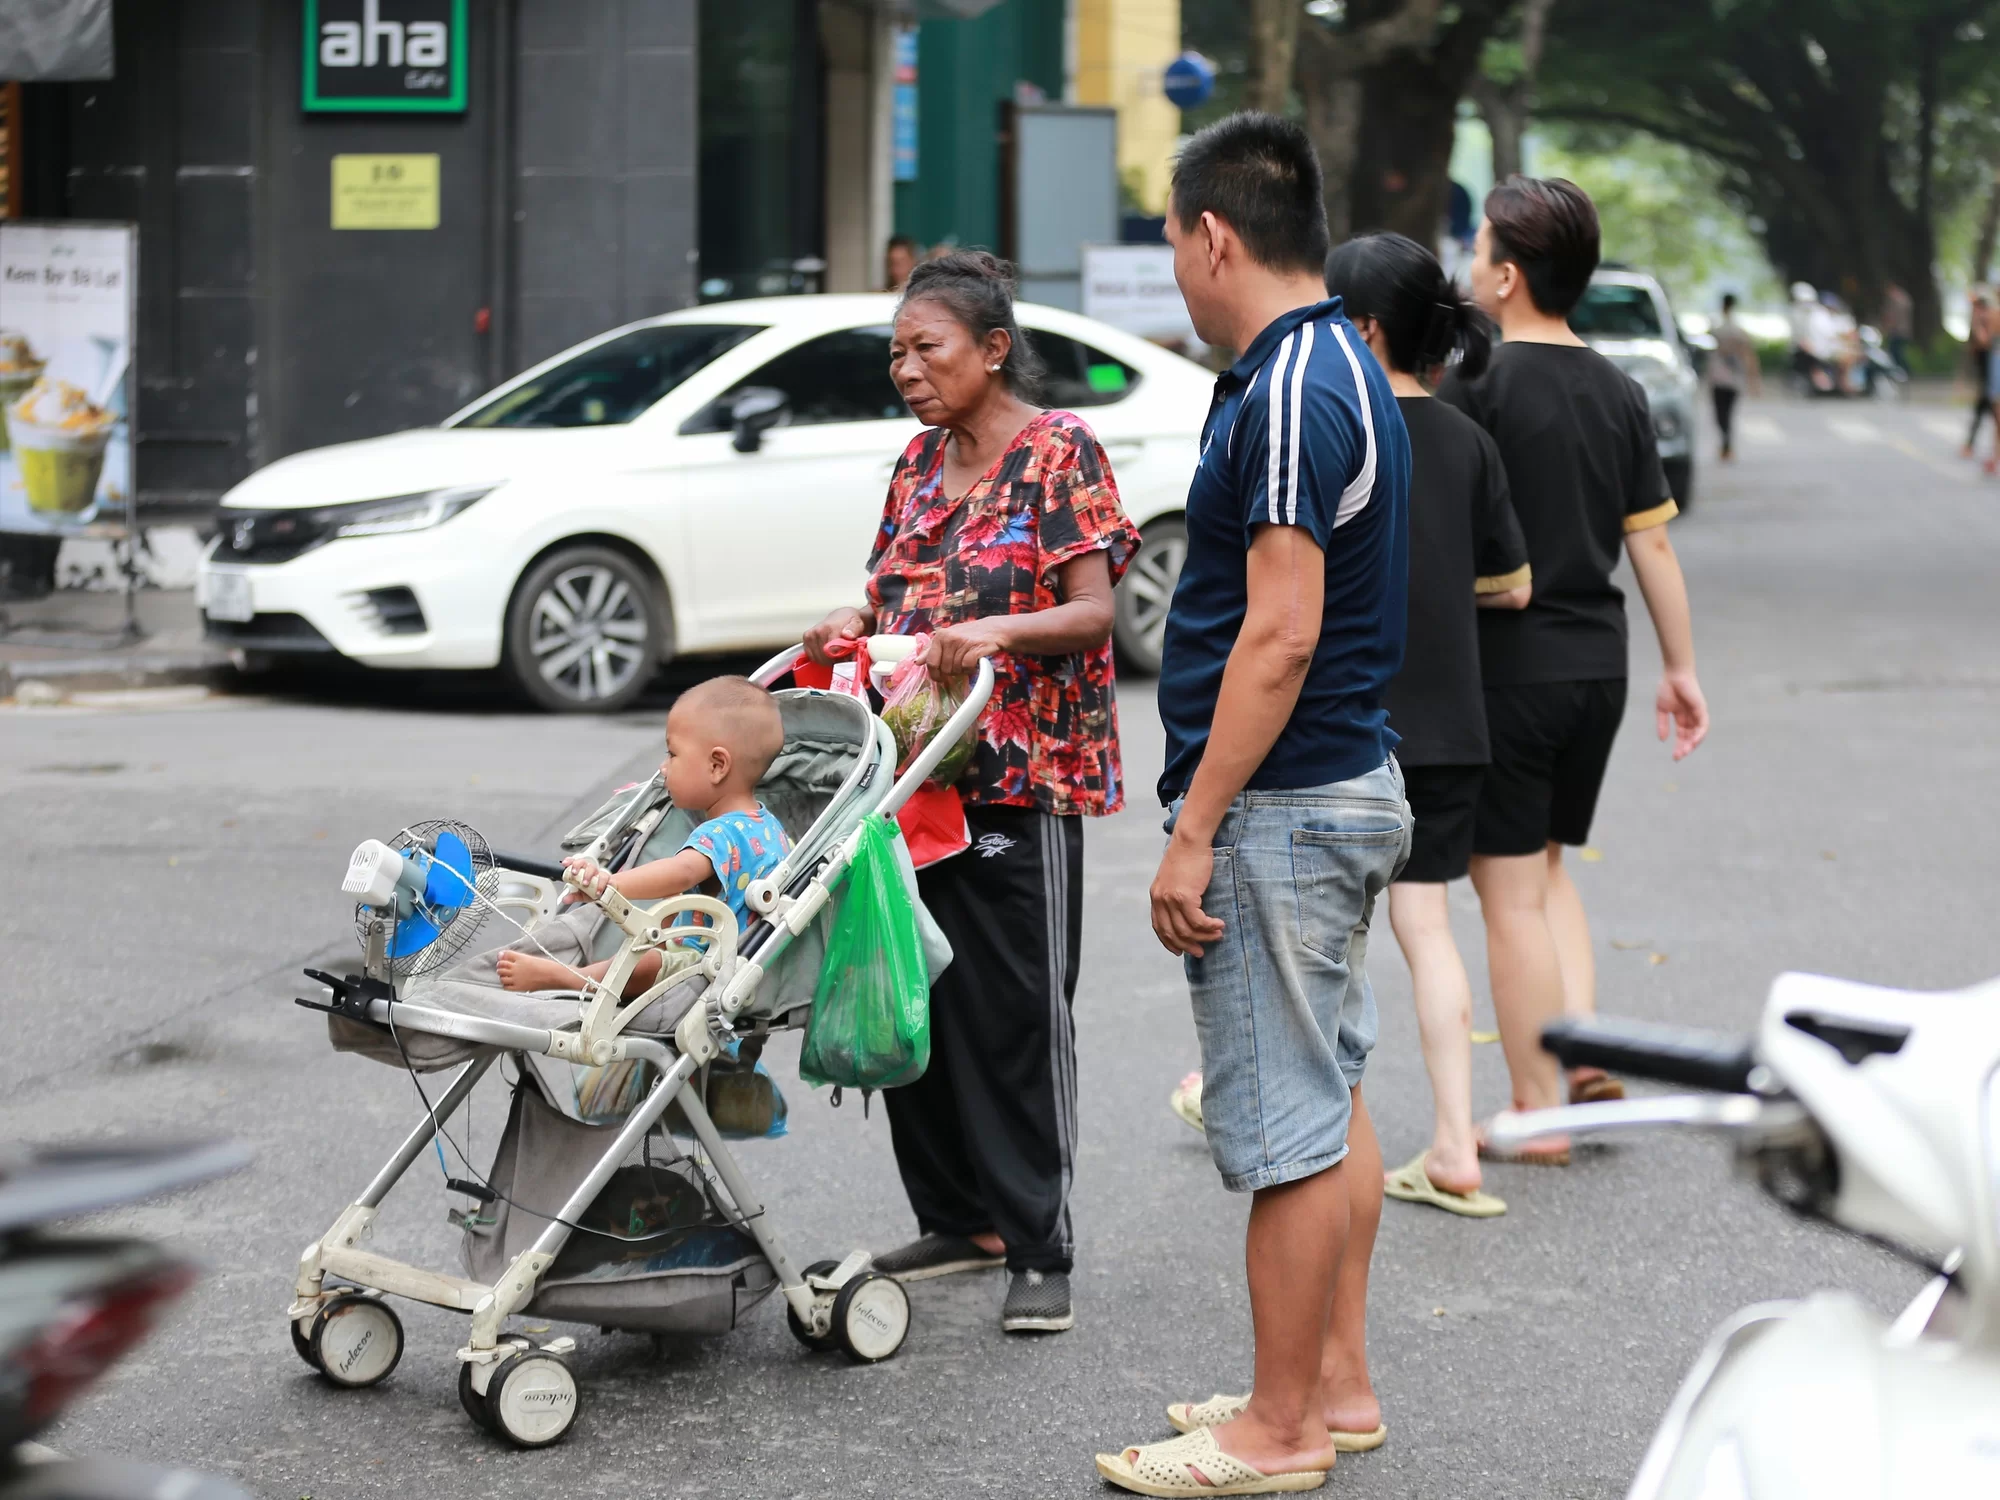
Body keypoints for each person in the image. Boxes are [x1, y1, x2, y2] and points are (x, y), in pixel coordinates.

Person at [1097, 113, 1412, 1497]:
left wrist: (1192, 826)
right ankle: (1329, 1389)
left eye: (1173, 242)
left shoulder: (1290, 386)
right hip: (1342, 782)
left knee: (1284, 1121)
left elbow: (1279, 634)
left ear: (1213, 235)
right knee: (1330, 1091)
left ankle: (1279, 1432)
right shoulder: (1345, 356)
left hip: (1284, 802)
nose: (1176, 268)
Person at [804, 250, 1139, 1336]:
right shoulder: (913, 464)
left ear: (993, 351)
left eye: (925, 349)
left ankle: (1038, 1246)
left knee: (1011, 1014)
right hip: (903, 783)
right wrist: (846, 631)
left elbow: (1092, 613)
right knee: (915, 1000)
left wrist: (994, 628)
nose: (905, 370)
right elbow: (890, 601)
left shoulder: (1057, 453)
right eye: (894, 353)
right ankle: (958, 1217)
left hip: (1017, 776)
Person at [1439, 176, 1709, 1154]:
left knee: (1503, 890)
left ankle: (1534, 1107)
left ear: (1505, 277)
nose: (1466, 265)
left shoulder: (1475, 387)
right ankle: (1579, 1056)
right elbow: (1652, 548)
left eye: (1474, 251)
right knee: (1546, 870)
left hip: (1508, 670)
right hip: (1598, 667)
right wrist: (1680, 670)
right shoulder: (1617, 388)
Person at [495, 676, 791, 996]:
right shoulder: (770, 829)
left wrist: (607, 886)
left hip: (700, 970)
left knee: (645, 962)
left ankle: (570, 978)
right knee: (653, 937)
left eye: (672, 754)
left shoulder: (721, 833)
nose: (663, 768)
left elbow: (682, 872)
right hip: (735, 969)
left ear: (717, 765)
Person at [1708, 293, 1760, 461]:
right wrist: (1754, 380)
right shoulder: (1737, 328)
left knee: (1720, 414)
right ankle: (1726, 445)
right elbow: (1749, 355)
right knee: (1727, 414)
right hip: (1732, 378)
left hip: (1720, 377)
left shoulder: (1716, 327)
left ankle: (1726, 445)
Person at [1965, 290, 1993, 461]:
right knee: (1983, 412)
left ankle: (1971, 445)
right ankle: (1970, 445)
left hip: (1993, 376)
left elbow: (1985, 341)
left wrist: (1976, 323)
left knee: (1984, 411)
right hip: (1986, 375)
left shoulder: (1989, 320)